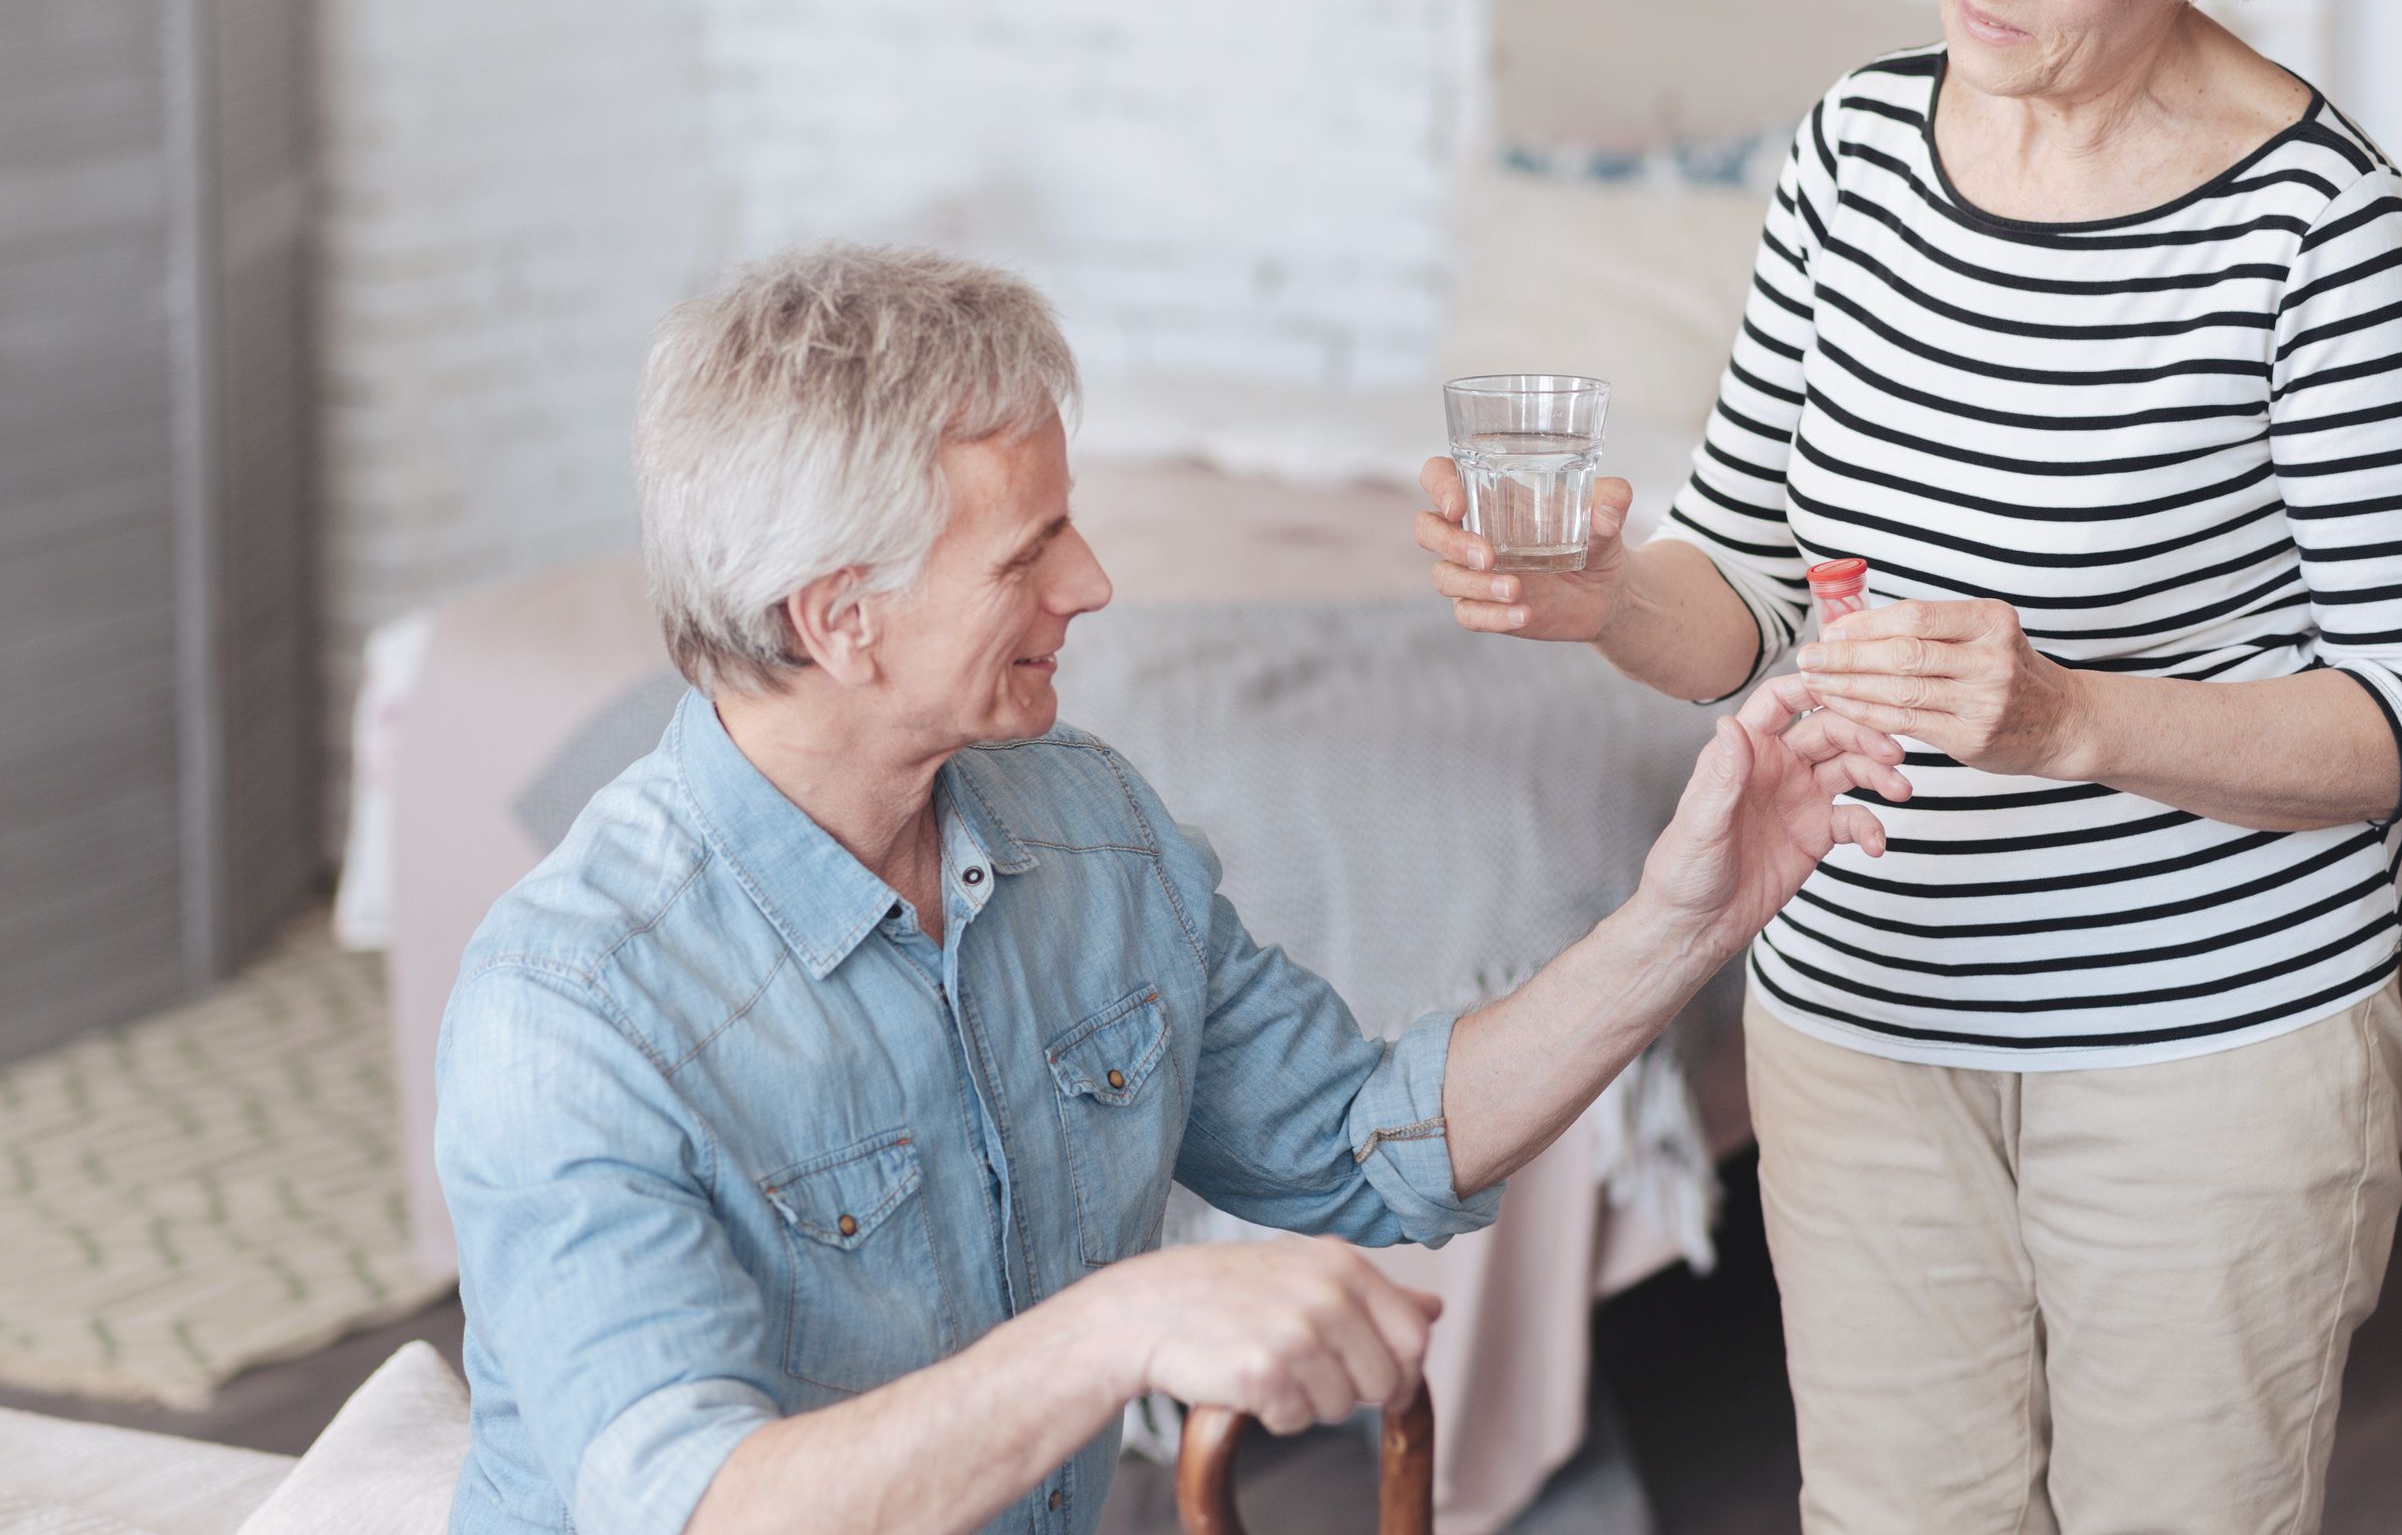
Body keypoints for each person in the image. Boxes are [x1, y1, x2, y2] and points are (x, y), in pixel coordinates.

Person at [1413, 0, 2402, 1529]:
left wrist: (2071, 714)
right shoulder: (1849, 156)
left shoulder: (2325, 234)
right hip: (1858, 1013)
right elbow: (1750, 595)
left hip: (2206, 1050)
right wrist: (1605, 596)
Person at [434, 244, 1911, 1535]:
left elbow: (1367, 1140)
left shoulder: (1082, 825)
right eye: (1026, 553)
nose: (1091, 583)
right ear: (840, 619)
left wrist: (1684, 921)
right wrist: (1118, 1328)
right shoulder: (571, 1011)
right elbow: (699, 1510)